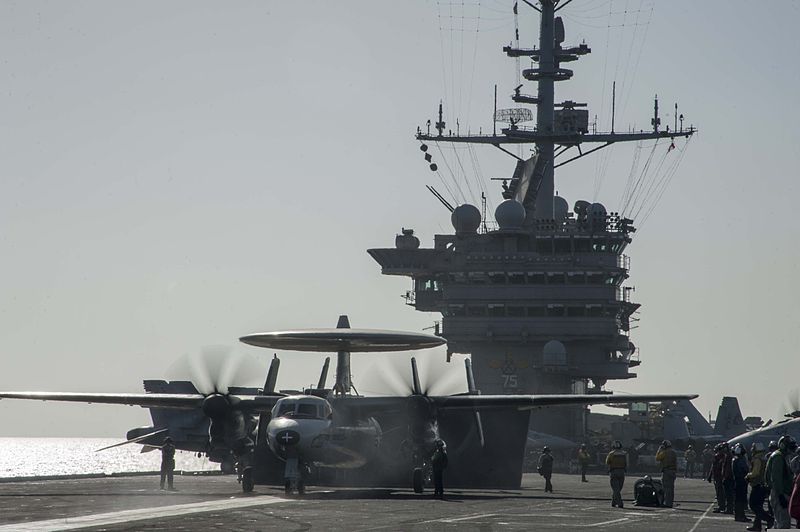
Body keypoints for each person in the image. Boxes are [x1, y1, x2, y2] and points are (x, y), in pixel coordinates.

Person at [765, 435, 796, 529]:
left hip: (780, 492)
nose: (792, 449)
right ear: (784, 446)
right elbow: (776, 478)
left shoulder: (780, 456)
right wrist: (781, 496)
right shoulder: (778, 457)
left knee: (778, 522)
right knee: (784, 523)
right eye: (790, 446)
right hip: (780, 493)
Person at [746, 441, 774, 532]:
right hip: (763, 485)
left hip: (758, 485)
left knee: (753, 505)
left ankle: (769, 520)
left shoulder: (757, 459)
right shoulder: (764, 458)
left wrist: (748, 476)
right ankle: (757, 526)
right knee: (759, 506)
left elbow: (756, 472)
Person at [732, 443, 752, 523]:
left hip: (738, 481)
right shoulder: (739, 460)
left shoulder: (735, 459)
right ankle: (740, 515)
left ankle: (739, 515)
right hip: (741, 481)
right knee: (740, 499)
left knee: (738, 499)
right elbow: (744, 470)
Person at [656, 439, 677, 507]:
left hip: (667, 471)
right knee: (671, 488)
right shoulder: (673, 452)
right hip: (673, 471)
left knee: (666, 488)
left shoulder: (665, 452)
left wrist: (659, 449)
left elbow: (657, 458)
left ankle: (667, 503)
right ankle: (670, 503)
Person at [606, 440, 627, 508]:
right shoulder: (624, 453)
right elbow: (626, 463)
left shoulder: (611, 453)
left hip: (614, 472)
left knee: (616, 489)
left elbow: (607, 461)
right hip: (622, 472)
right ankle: (614, 502)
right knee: (618, 488)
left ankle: (619, 503)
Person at [709, 443, 727, 513]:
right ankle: (722, 505)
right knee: (720, 492)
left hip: (719, 477)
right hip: (718, 477)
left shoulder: (720, 457)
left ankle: (721, 506)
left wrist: (710, 476)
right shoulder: (722, 457)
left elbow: (713, 467)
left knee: (720, 492)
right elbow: (713, 467)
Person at [722, 442, 736, 515]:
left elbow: (728, 468)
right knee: (728, 494)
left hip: (728, 477)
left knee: (729, 494)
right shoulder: (727, 455)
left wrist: (725, 476)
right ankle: (729, 508)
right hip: (728, 477)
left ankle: (729, 508)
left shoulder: (729, 456)